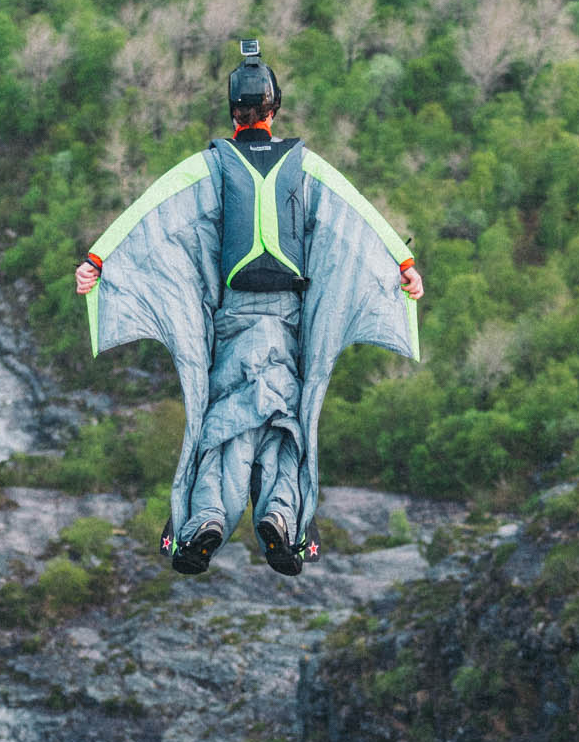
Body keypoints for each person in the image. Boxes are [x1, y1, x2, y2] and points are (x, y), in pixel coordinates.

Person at [74, 40, 425, 578]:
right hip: (286, 323)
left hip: (232, 321)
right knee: (284, 419)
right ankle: (279, 519)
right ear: (274, 107)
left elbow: (150, 212)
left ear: (232, 112)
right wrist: (403, 267)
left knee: (227, 420)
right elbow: (359, 218)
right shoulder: (306, 168)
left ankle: (208, 520)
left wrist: (99, 260)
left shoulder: (210, 166)